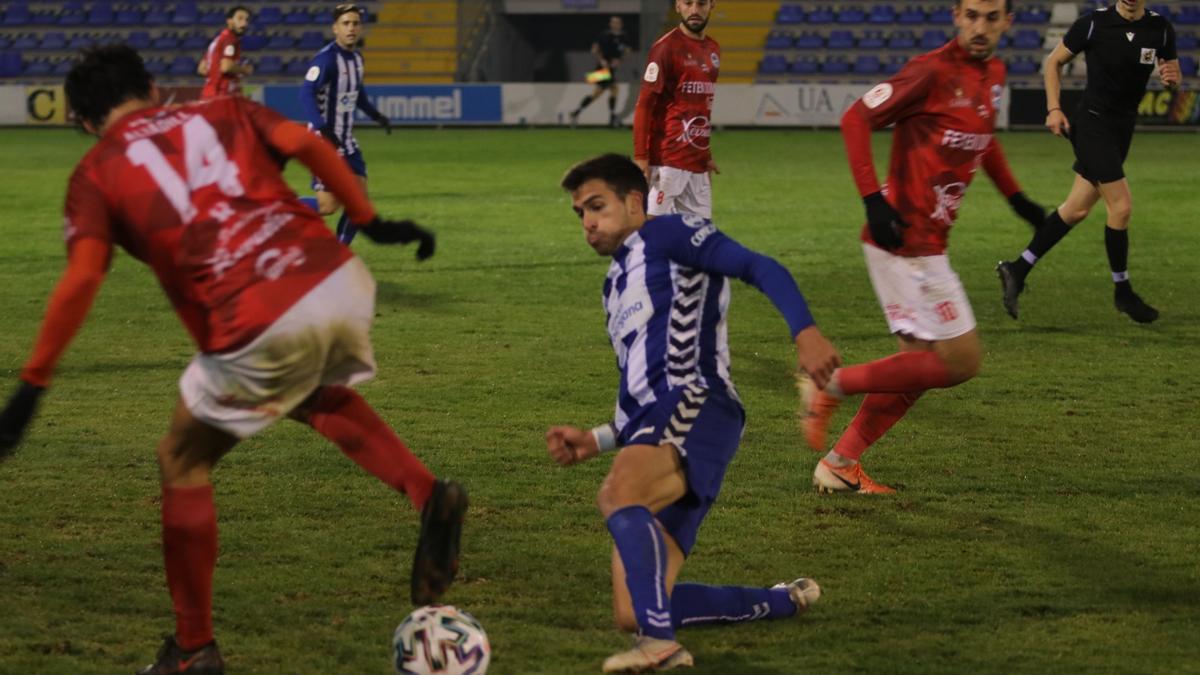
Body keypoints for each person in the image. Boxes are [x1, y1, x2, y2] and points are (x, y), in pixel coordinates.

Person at [0, 45, 465, 675]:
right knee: (309, 393)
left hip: (255, 315)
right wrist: (370, 221)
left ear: (83, 120)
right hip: (334, 277)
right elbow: (305, 143)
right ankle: (427, 491)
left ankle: (193, 650)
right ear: (155, 87)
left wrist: (31, 388)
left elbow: (83, 277)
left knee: (182, 458)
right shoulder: (224, 109)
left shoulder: (95, 173)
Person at [548, 153, 840, 672]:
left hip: (696, 403)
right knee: (635, 608)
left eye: (597, 206)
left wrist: (806, 331)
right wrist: (598, 438)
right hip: (654, 422)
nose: (588, 222)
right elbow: (638, 387)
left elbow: (758, 266)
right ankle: (781, 600)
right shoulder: (614, 284)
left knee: (619, 493)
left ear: (634, 201)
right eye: (580, 213)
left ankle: (659, 647)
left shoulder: (673, 234)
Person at [800, 0, 1044, 494]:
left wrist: (1016, 198)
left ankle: (840, 463)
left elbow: (985, 138)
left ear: (1007, 22)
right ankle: (829, 384)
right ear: (956, 15)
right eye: (972, 15)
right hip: (904, 240)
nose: (980, 27)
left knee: (914, 371)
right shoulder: (930, 71)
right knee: (962, 360)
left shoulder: (993, 72)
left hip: (930, 241)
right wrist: (873, 200)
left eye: (991, 17)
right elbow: (854, 119)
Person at [996, 0, 1180, 323]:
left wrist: (1172, 78)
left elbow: (1171, 71)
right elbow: (1053, 63)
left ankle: (1017, 268)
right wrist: (1054, 108)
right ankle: (1122, 291)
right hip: (1091, 124)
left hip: (1122, 130)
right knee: (1121, 207)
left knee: (1076, 209)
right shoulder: (1093, 24)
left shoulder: (1160, 29)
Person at [299, 3, 392, 245]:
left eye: (355, 23)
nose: (351, 28)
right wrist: (322, 127)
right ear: (335, 28)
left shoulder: (357, 59)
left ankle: (339, 255)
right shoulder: (326, 60)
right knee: (327, 206)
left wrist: (376, 115)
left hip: (347, 141)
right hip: (323, 141)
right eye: (345, 23)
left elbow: (357, 93)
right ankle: (278, 206)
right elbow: (306, 93)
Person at [633, 0, 720, 219]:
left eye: (701, 4)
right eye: (688, 3)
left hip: (696, 161)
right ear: (678, 6)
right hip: (667, 160)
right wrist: (641, 156)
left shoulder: (713, 49)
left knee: (699, 237)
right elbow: (644, 105)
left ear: (712, 5)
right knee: (650, 233)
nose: (694, 10)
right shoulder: (666, 48)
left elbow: (701, 109)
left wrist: (705, 154)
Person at [568, 15, 632, 128]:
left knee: (599, 93)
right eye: (613, 22)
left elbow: (627, 51)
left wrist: (620, 60)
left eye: (617, 22)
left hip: (611, 69)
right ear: (610, 24)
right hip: (602, 68)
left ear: (621, 24)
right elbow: (594, 49)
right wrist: (601, 60)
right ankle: (612, 120)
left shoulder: (624, 37)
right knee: (611, 90)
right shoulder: (604, 35)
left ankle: (575, 113)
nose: (615, 24)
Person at [198, 6, 253, 98]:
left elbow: (202, 69)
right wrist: (244, 70)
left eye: (246, 20)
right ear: (229, 21)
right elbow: (226, 67)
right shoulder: (230, 39)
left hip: (208, 93)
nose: (244, 23)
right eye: (240, 18)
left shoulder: (217, 40)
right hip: (223, 94)